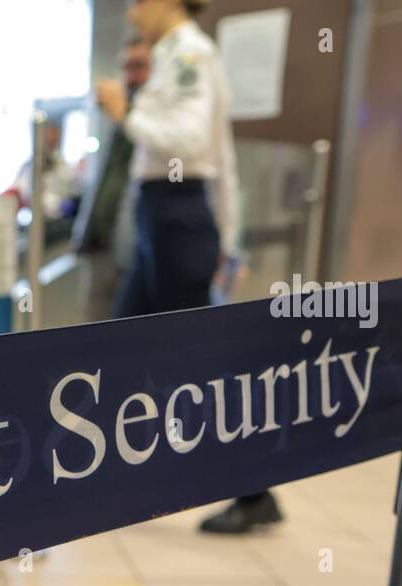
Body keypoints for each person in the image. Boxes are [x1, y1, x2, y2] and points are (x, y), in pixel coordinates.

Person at [97, 0, 279, 534]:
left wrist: (125, 111)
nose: (133, 14)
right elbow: (220, 152)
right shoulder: (175, 53)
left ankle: (255, 491)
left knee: (203, 367)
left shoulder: (191, 54)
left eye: (138, 3)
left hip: (178, 217)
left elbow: (192, 143)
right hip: (164, 217)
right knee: (118, 347)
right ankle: (107, 474)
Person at [73, 35, 152, 323]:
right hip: (99, 246)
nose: (130, 76)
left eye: (139, 66)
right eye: (126, 66)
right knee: (92, 338)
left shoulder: (155, 120)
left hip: (134, 253)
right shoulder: (113, 117)